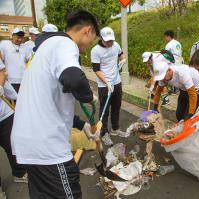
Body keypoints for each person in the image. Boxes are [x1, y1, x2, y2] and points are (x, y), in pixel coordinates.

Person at [11, 10, 100, 198]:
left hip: (30, 145)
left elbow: (49, 102)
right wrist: (89, 96)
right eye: (92, 39)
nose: (90, 45)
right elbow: (73, 79)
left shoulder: (45, 48)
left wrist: (81, 124)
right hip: (47, 148)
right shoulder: (65, 44)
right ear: (87, 30)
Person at [91, 27, 127, 146]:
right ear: (101, 38)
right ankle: (104, 133)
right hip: (104, 85)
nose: (110, 43)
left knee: (116, 107)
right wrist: (106, 82)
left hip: (117, 82)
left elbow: (122, 55)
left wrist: (123, 60)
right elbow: (96, 70)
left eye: (111, 40)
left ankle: (115, 129)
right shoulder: (95, 51)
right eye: (107, 41)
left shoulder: (116, 45)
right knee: (104, 110)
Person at [0, 58, 27, 185]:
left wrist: (0, 86)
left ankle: (19, 173)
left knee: (12, 145)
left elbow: (2, 72)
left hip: (4, 114)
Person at [0, 28, 31, 93]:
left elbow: (30, 60)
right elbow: (1, 59)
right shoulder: (4, 44)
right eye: (18, 37)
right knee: (11, 101)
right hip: (9, 80)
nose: (20, 39)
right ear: (13, 36)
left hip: (23, 79)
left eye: (22, 38)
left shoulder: (25, 47)